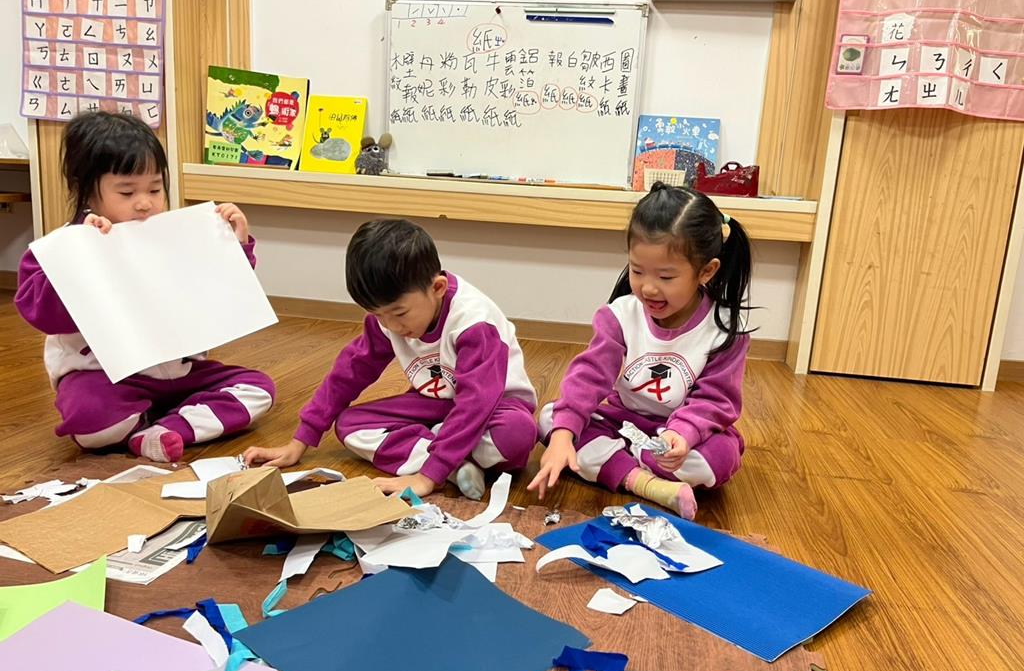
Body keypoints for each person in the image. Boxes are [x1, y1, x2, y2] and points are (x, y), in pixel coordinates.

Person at [15, 111, 275, 462]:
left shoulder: (172, 235)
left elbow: (218, 291)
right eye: (127, 192)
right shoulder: (59, 246)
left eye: (155, 188)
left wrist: (234, 245)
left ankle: (160, 430)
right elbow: (43, 315)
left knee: (259, 390)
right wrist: (81, 255)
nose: (145, 202)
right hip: (105, 378)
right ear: (88, 190)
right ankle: (159, 419)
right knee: (93, 424)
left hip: (180, 371)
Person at [244, 218, 538, 500]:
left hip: (494, 408)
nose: (391, 326)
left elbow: (476, 403)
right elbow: (350, 372)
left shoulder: (474, 323)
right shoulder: (387, 320)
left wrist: (427, 478)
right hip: (435, 406)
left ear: (437, 288)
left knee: (517, 435)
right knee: (349, 424)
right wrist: (300, 440)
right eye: (378, 315)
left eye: (399, 313)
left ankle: (438, 458)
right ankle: (454, 464)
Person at [528, 183, 751, 519]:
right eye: (637, 271)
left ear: (706, 271)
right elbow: (589, 377)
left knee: (719, 456)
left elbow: (715, 400)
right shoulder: (620, 315)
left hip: (678, 436)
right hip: (621, 421)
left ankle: (622, 465)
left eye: (666, 277)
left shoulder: (723, 330)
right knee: (551, 420)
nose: (648, 287)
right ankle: (646, 483)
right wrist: (563, 435)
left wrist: (682, 435)